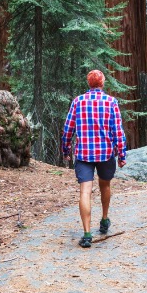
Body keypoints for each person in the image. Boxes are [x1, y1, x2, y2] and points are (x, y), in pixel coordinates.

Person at [61, 69, 127, 248]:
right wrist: (122, 154)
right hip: (105, 153)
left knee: (85, 191)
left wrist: (65, 149)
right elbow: (118, 131)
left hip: (83, 154)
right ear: (102, 83)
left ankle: (87, 234)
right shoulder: (111, 102)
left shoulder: (78, 101)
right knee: (105, 185)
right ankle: (104, 219)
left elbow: (68, 128)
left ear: (88, 83)